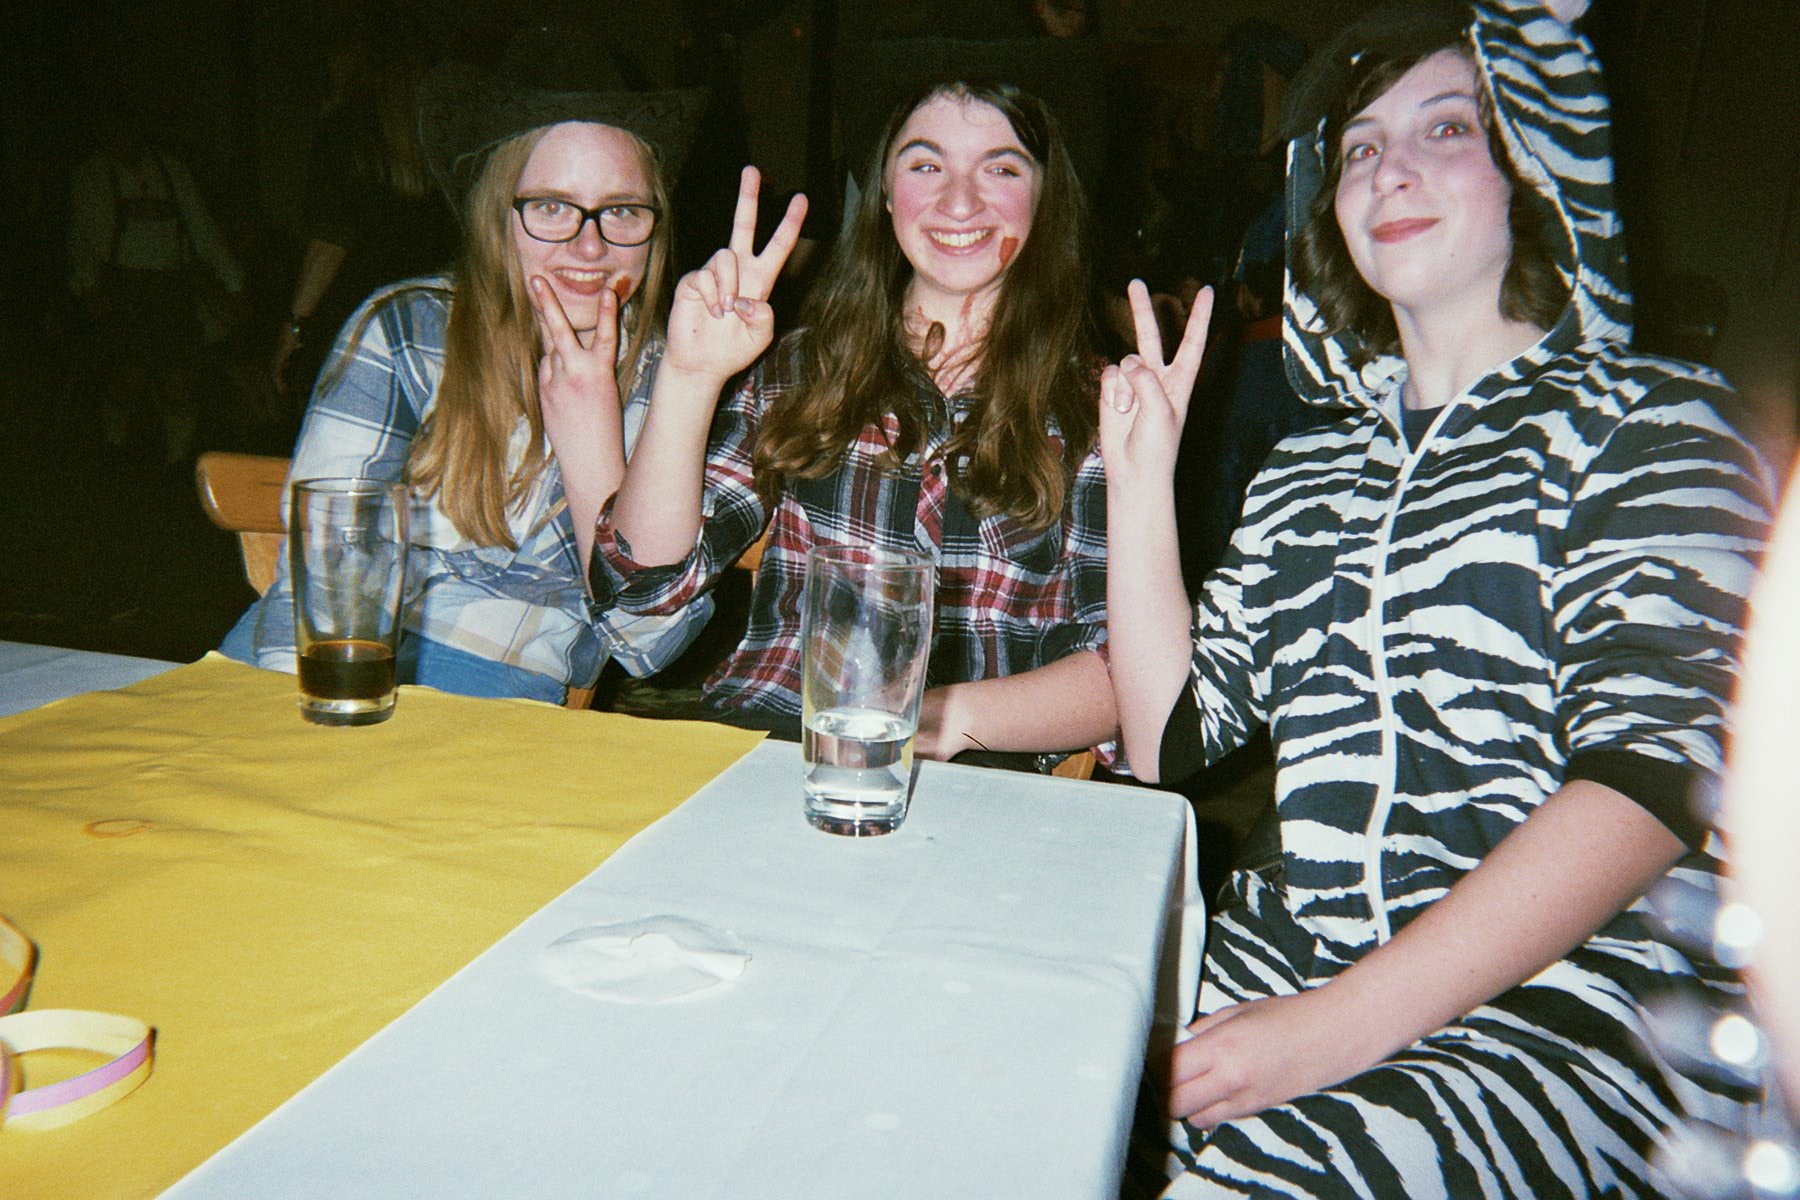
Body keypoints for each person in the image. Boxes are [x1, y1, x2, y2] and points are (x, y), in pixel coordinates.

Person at [1100, 0, 1774, 1194]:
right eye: (1359, 147)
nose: (1389, 169)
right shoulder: (1309, 471)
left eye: (1447, 128)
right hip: (1295, 953)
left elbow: (1653, 779)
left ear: (1532, 170)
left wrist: (1335, 1029)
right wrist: (1142, 481)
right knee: (1024, 1095)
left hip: (1583, 1010)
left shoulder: (1658, 424)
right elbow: (1166, 746)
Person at [591, 58, 1114, 765]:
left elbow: (1126, 673)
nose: (960, 202)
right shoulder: (804, 369)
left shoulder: (1097, 407)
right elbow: (644, 589)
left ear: (1045, 200)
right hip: (771, 746)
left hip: (978, 781)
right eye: (926, 166)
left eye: (1001, 169)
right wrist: (690, 378)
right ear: (886, 196)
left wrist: (922, 721)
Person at [219, 29, 712, 705]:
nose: (589, 245)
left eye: (622, 210)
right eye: (551, 207)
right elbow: (327, 567)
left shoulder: (672, 377)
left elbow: (649, 643)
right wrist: (302, 715)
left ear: (654, 224)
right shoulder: (407, 332)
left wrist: (596, 438)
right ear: (495, 214)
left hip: (492, 690)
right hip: (324, 662)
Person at [268, 10, 458, 415]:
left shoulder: (345, 134)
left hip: (359, 326)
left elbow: (328, 244)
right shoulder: (442, 144)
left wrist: (293, 326)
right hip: (431, 318)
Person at [66, 101, 246, 467]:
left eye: (129, 128)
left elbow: (202, 229)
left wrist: (234, 283)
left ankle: (177, 461)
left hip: (169, 288)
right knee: (126, 376)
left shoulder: (170, 170)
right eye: (115, 129)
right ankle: (113, 448)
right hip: (120, 287)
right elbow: (82, 239)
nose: (124, 138)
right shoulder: (93, 174)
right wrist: (87, 288)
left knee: (178, 377)